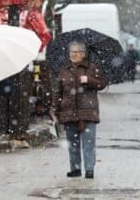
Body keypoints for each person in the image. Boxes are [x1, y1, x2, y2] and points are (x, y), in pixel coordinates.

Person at [50, 40, 107, 179]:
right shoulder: (64, 70)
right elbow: (58, 92)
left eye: (76, 52)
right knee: (72, 144)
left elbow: (102, 84)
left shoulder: (92, 67)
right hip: (69, 111)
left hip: (88, 112)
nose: (73, 55)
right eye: (71, 52)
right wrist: (54, 110)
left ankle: (89, 169)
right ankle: (75, 169)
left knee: (88, 143)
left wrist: (89, 79)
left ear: (83, 54)